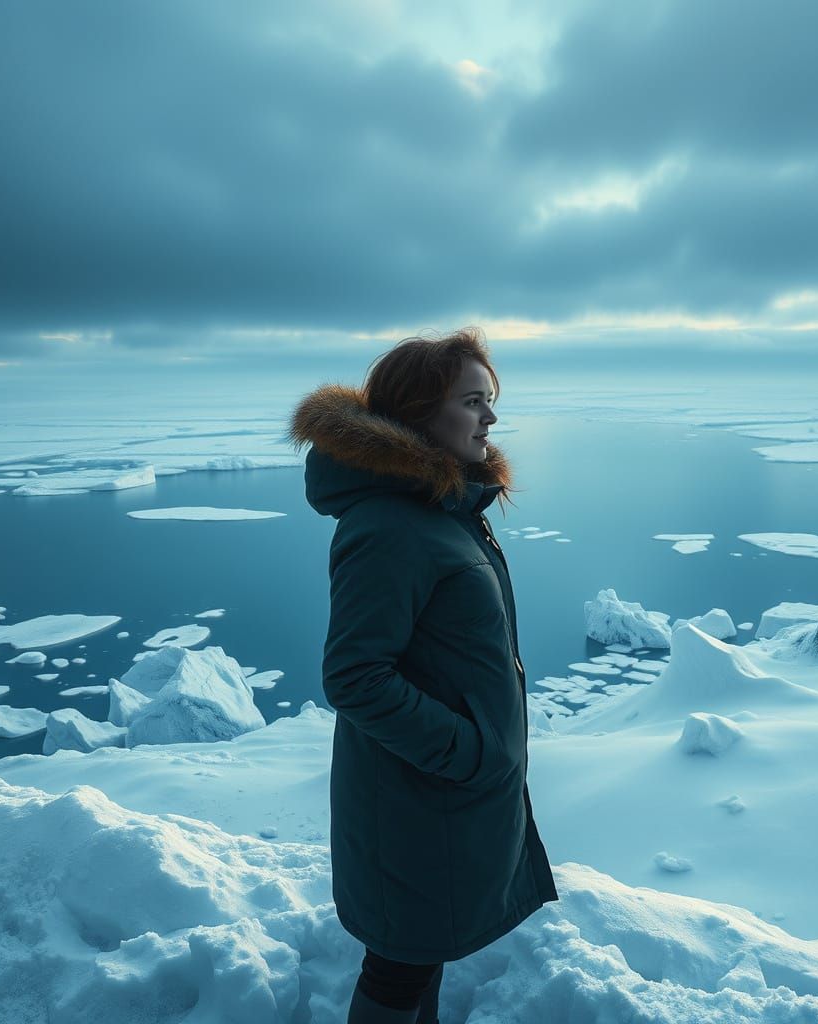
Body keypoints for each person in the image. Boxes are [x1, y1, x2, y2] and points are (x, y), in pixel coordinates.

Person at [288, 328, 559, 1023]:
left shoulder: (441, 511)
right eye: (473, 401)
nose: (491, 419)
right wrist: (469, 753)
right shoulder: (390, 526)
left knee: (418, 954)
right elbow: (353, 676)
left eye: (488, 400)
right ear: (417, 416)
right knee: (401, 966)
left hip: (434, 799)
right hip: (415, 800)